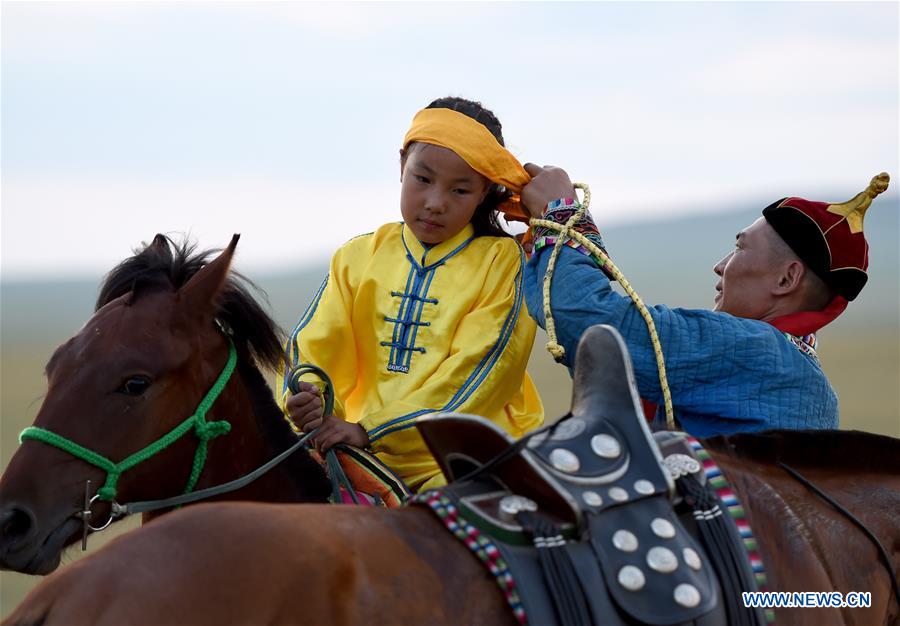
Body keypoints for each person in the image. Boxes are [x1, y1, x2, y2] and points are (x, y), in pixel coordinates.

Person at [278, 97, 544, 492]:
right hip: (355, 451)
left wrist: (371, 430)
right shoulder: (358, 256)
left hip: (465, 460)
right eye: (422, 179)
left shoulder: (504, 263)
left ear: (484, 192)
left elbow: (481, 376)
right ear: (402, 164)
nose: (435, 203)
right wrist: (309, 399)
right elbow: (317, 348)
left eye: (459, 190)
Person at [518, 165, 889, 437]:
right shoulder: (809, 382)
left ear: (786, 279)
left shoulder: (754, 350)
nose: (720, 266)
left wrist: (563, 215)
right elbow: (612, 369)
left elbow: (591, 322)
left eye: (739, 247)